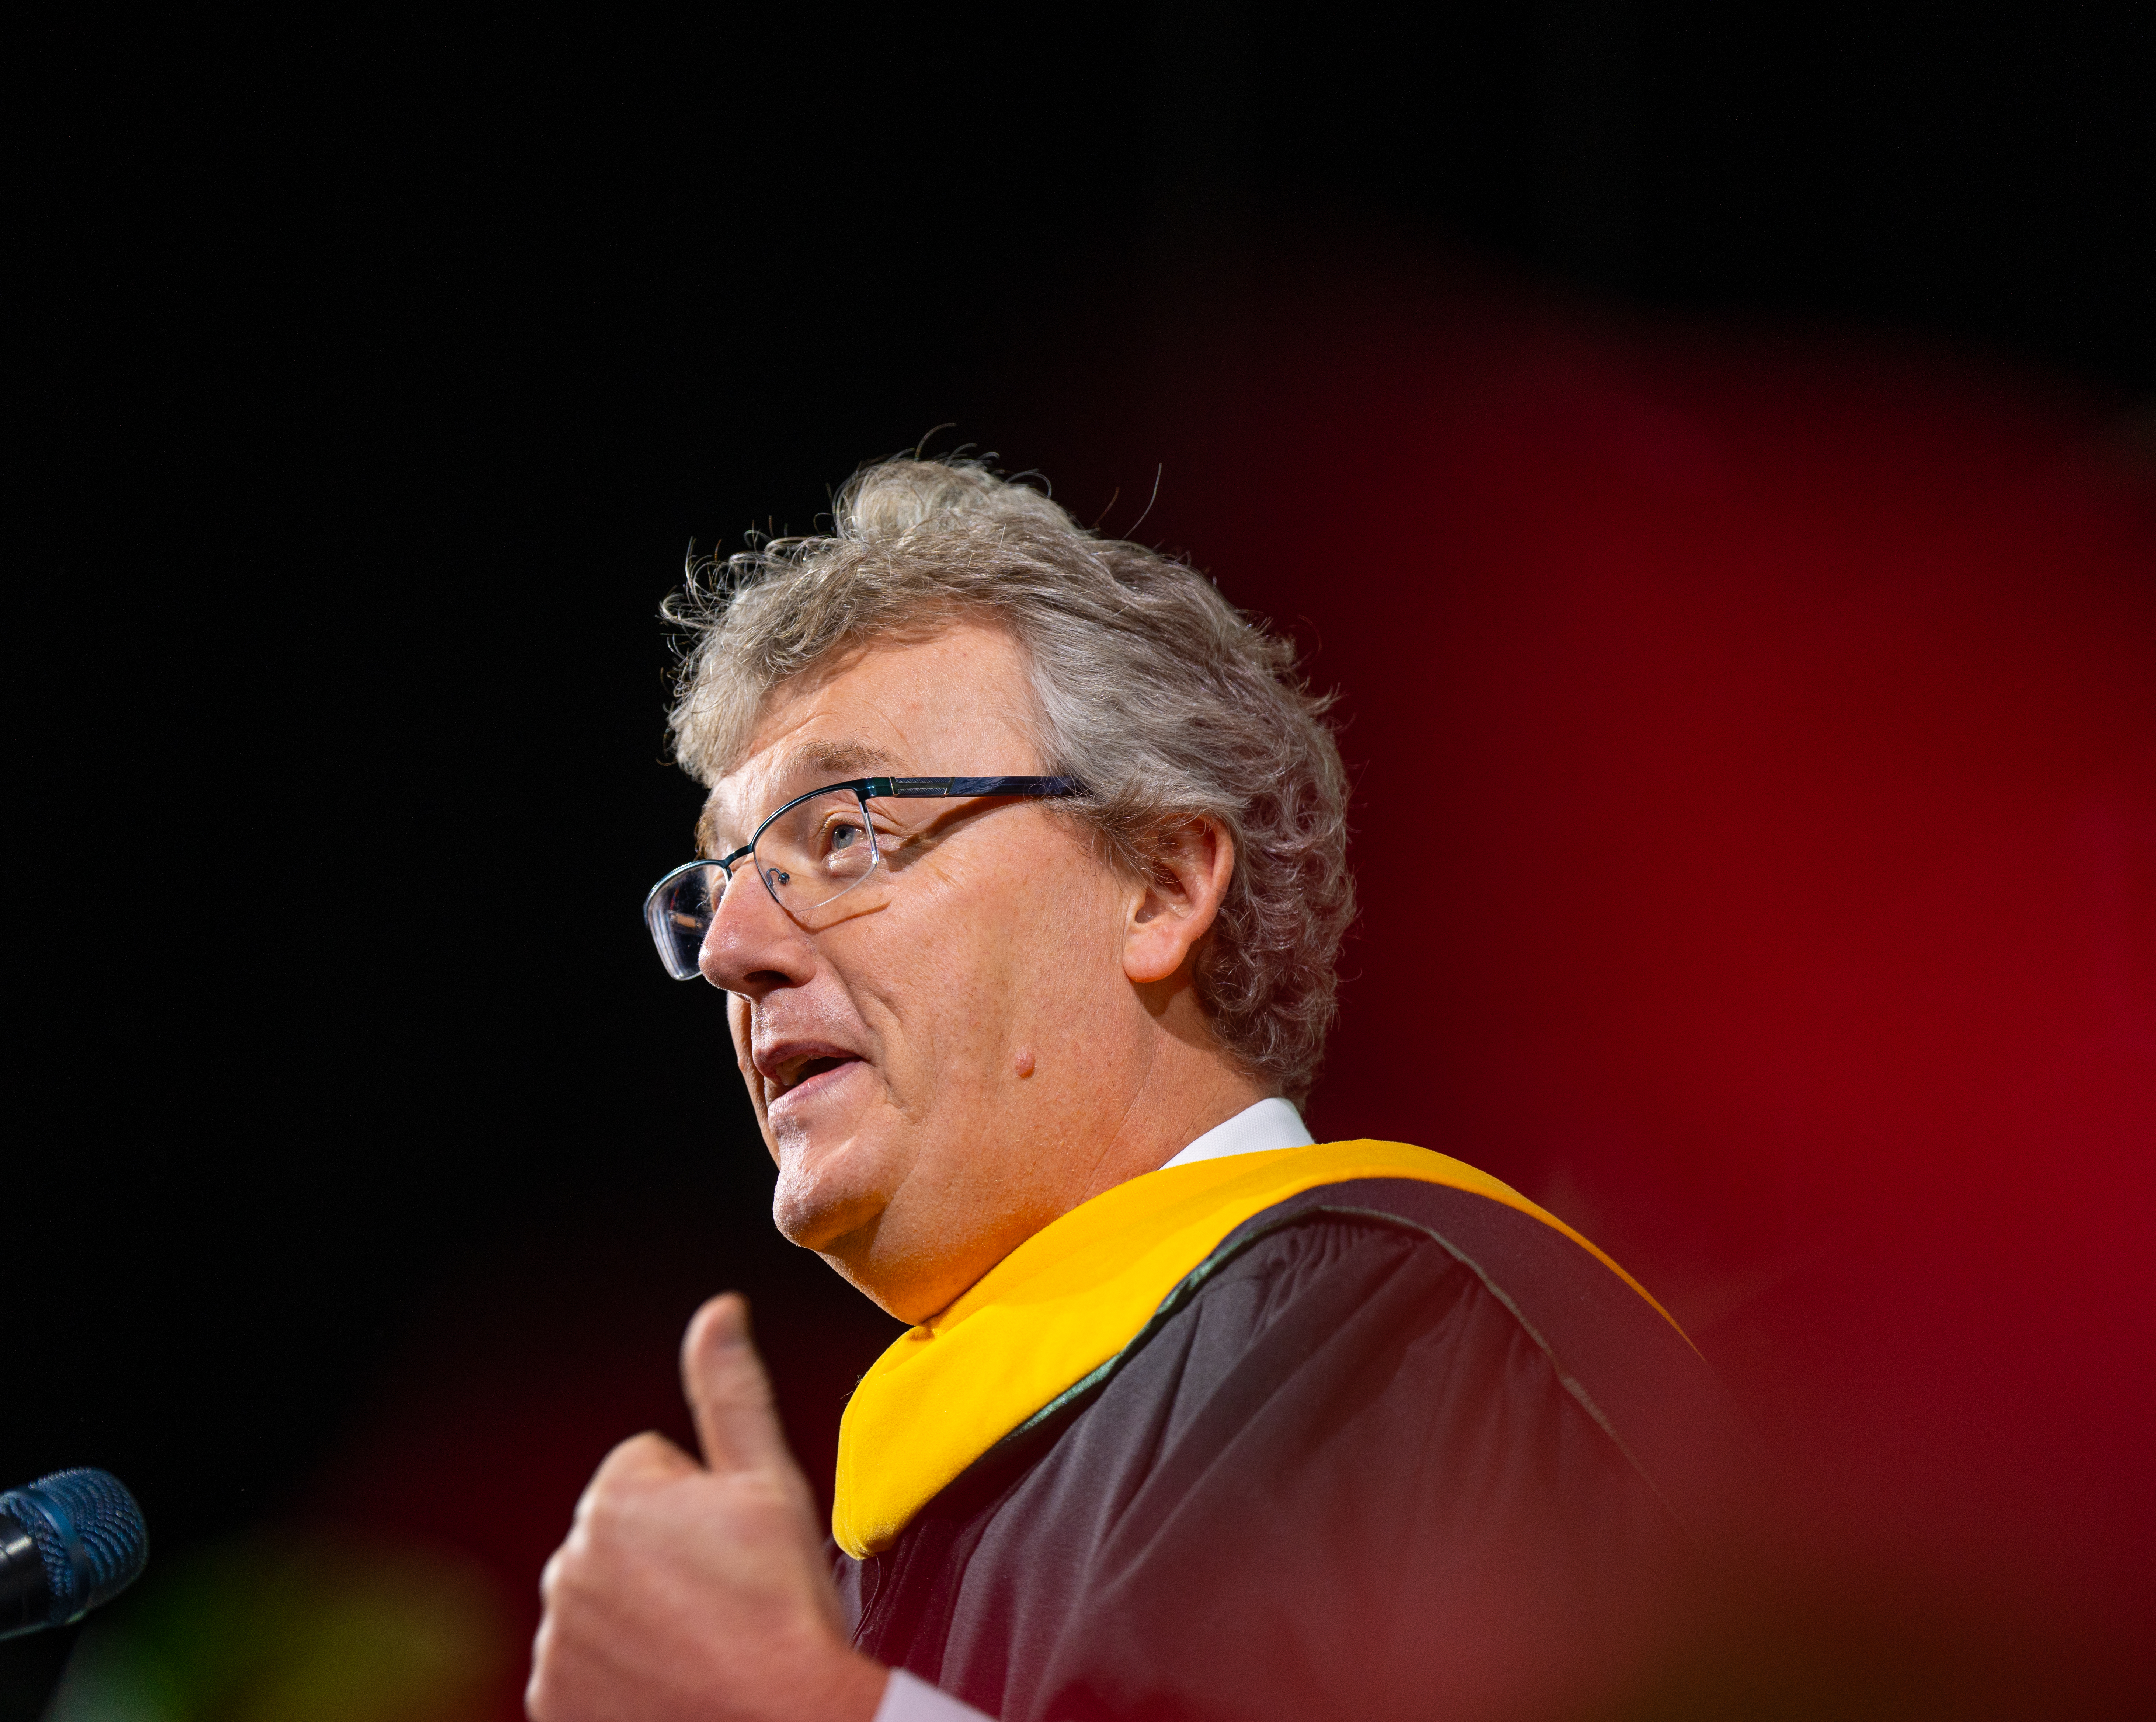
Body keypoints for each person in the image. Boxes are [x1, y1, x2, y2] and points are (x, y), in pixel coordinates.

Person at [528, 459, 1746, 1722]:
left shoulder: (1398, 1333)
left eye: (843, 836)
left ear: (1162, 885)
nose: (732, 951)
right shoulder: (876, 1542)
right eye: (719, 886)